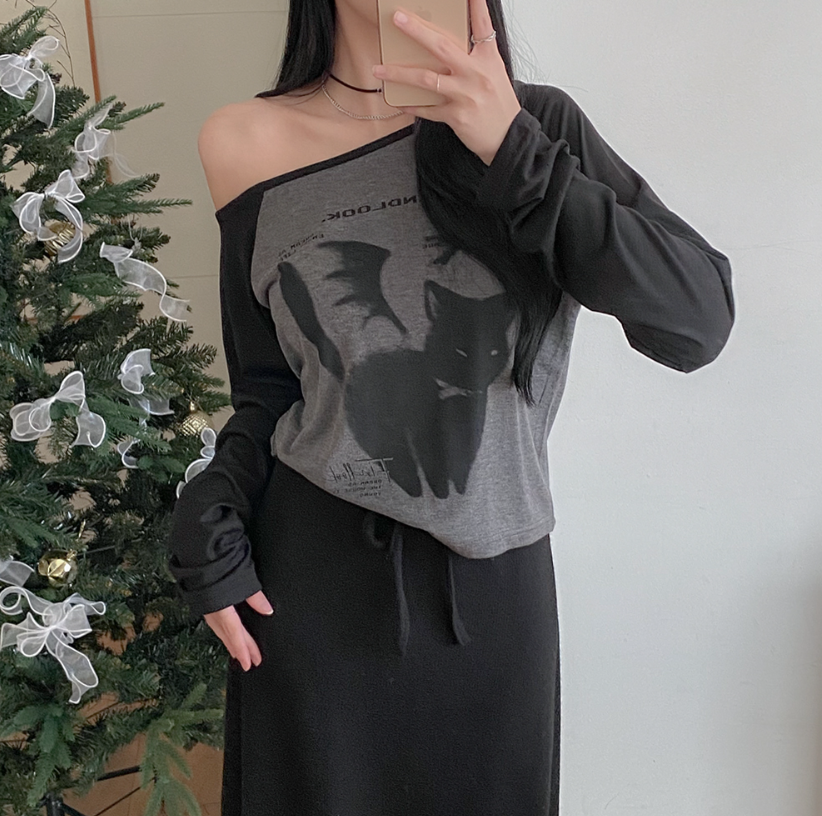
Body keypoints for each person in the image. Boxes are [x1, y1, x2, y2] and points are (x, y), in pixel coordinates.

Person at [167, 0, 735, 813]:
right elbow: (268, 390)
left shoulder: (535, 126)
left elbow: (696, 322)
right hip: (310, 589)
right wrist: (211, 509)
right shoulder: (242, 141)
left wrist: (512, 150)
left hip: (492, 597)